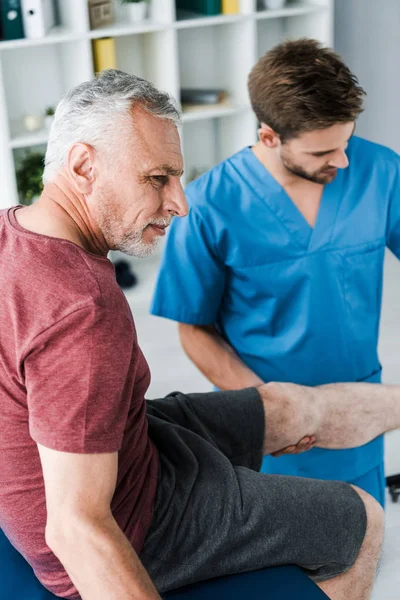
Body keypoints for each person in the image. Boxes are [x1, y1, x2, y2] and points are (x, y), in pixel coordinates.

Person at [0, 68, 396, 600]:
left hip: (127, 449)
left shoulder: (14, 229)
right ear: (83, 165)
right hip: (138, 521)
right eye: (157, 178)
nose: (180, 203)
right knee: (360, 518)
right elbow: (78, 529)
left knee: (286, 405)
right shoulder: (82, 308)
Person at [151, 39, 400, 506]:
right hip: (266, 421)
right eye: (323, 151)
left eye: (346, 142)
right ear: (269, 136)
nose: (342, 161)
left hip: (358, 406)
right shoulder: (208, 206)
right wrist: (274, 409)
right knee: (283, 563)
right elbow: (194, 330)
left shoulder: (380, 171)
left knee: (363, 540)